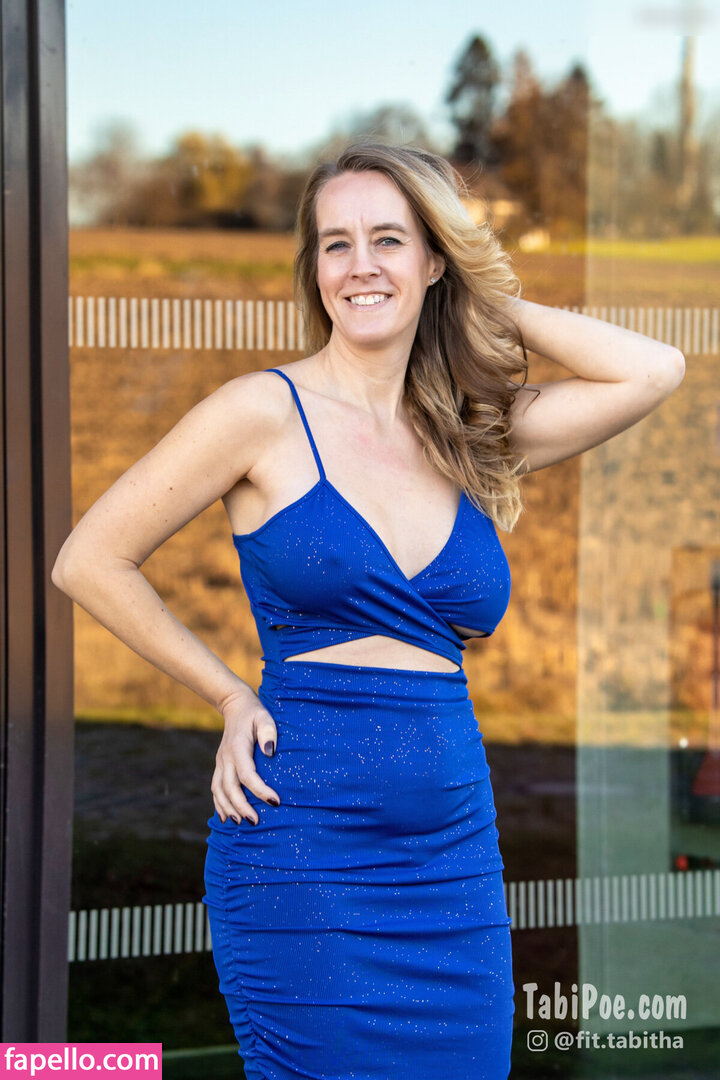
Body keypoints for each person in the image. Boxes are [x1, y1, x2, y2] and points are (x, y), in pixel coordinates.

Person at [52, 141, 685, 1079]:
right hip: (305, 853)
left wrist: (481, 295)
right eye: (335, 244)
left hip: (453, 862)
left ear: (432, 260)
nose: (360, 266)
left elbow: (654, 370)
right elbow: (90, 560)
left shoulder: (470, 430)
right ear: (314, 268)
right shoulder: (261, 412)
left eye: (389, 240)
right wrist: (227, 693)